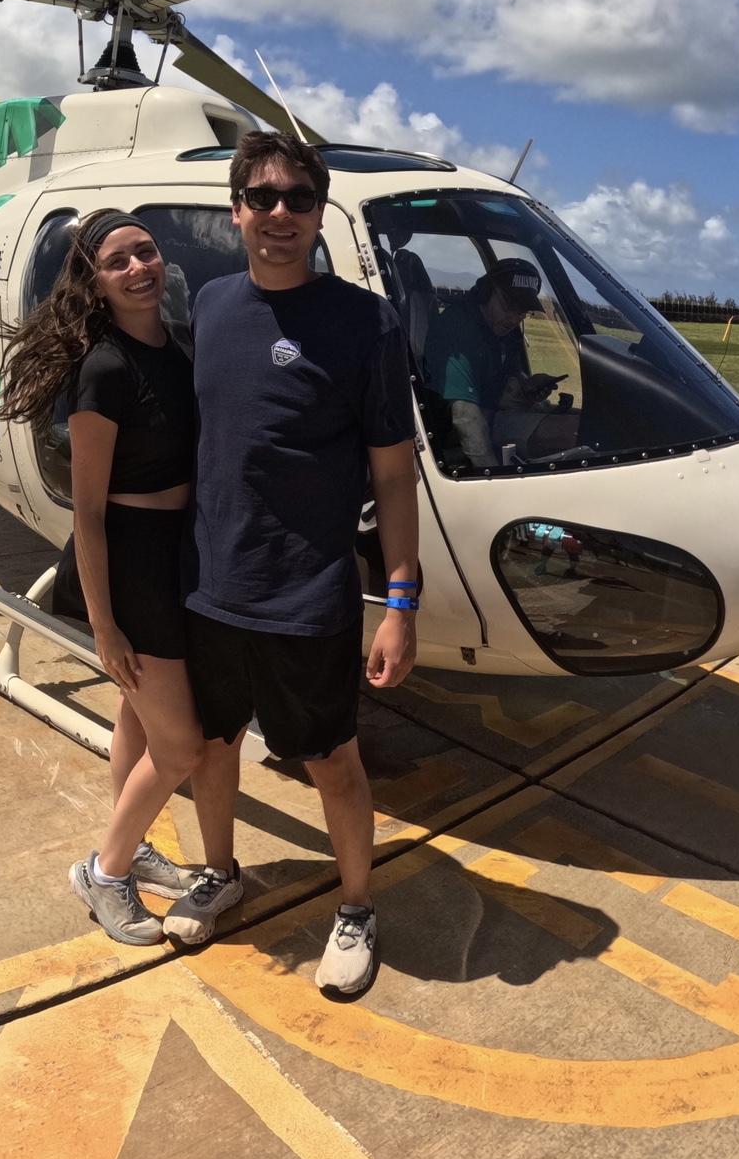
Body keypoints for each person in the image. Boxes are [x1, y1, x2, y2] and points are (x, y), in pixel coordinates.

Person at [163, 131, 422, 997]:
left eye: (297, 200)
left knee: (331, 758)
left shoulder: (363, 321)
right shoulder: (211, 305)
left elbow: (392, 471)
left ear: (319, 214)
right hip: (210, 583)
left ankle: (355, 907)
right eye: (262, 198)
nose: (279, 214)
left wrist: (399, 600)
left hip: (307, 589)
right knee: (210, 745)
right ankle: (221, 871)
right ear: (235, 210)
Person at [0, 208, 206, 946]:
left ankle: (133, 845)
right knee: (180, 745)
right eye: (118, 261)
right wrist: (104, 621)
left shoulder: (175, 350)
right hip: (133, 559)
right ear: (93, 280)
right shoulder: (105, 369)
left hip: (179, 550)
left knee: (136, 718)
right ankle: (106, 871)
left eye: (147, 253)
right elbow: (86, 513)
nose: (139, 268)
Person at [422, 259, 563, 468]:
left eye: (522, 312)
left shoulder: (503, 331)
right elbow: (465, 419)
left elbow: (508, 375)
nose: (515, 318)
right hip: (460, 429)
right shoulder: (458, 333)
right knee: (570, 432)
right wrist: (494, 475)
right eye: (508, 306)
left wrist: (527, 387)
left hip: (494, 414)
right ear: (485, 293)